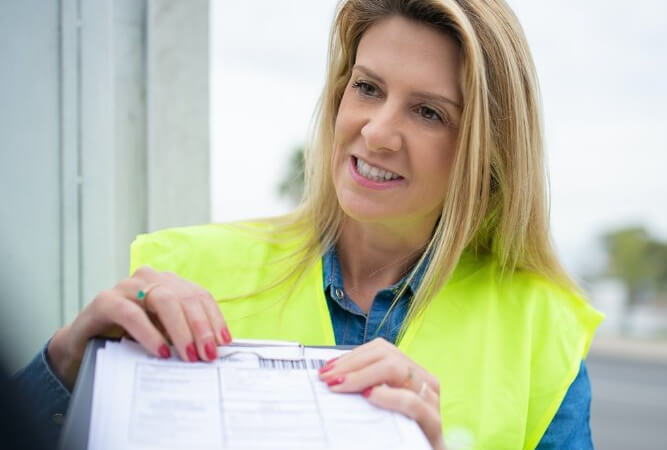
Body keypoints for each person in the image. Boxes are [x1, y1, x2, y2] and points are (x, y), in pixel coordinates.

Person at [14, 0, 603, 448]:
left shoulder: (540, 333)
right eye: (368, 88)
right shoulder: (181, 272)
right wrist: (64, 369)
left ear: (488, 150)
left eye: (428, 112)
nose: (375, 131)